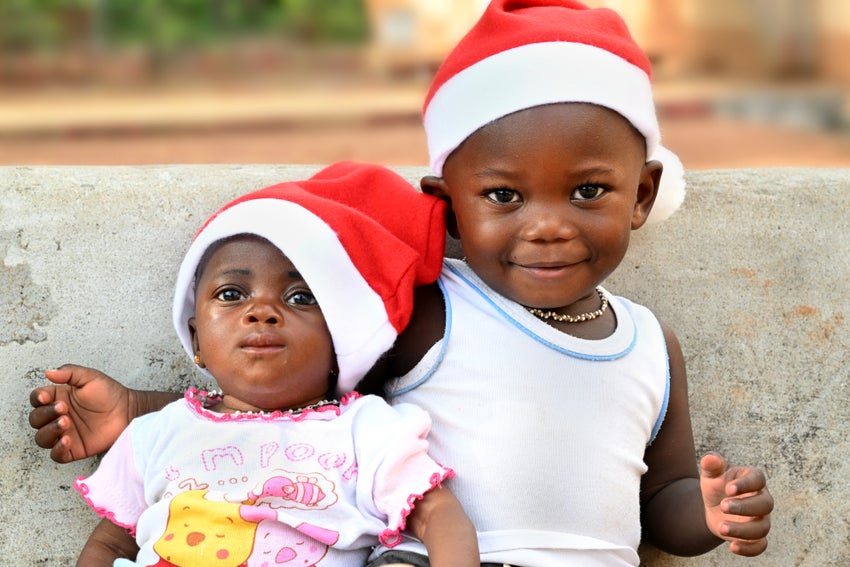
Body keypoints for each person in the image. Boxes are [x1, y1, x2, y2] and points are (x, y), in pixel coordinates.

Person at [30, 2, 773, 566]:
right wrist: (136, 411)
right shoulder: (434, 313)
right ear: (448, 208)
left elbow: (663, 498)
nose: (548, 226)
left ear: (642, 195)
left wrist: (709, 513)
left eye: (588, 191)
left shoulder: (651, 345)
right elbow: (291, 396)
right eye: (504, 197)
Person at [67, 162, 478, 566]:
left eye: (300, 297)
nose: (261, 311)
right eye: (231, 294)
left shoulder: (365, 430)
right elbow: (110, 546)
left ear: (343, 340)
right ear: (196, 339)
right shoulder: (154, 434)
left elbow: (438, 516)